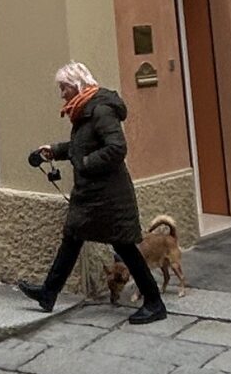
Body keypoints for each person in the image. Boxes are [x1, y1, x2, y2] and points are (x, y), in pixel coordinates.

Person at [17, 61, 167, 324]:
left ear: (77, 85)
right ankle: (48, 293)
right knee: (72, 237)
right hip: (93, 195)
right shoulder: (85, 110)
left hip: (109, 196)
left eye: (64, 88)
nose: (62, 94)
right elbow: (82, 145)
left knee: (125, 247)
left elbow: (116, 148)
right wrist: (54, 151)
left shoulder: (101, 110)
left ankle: (154, 302)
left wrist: (85, 163)